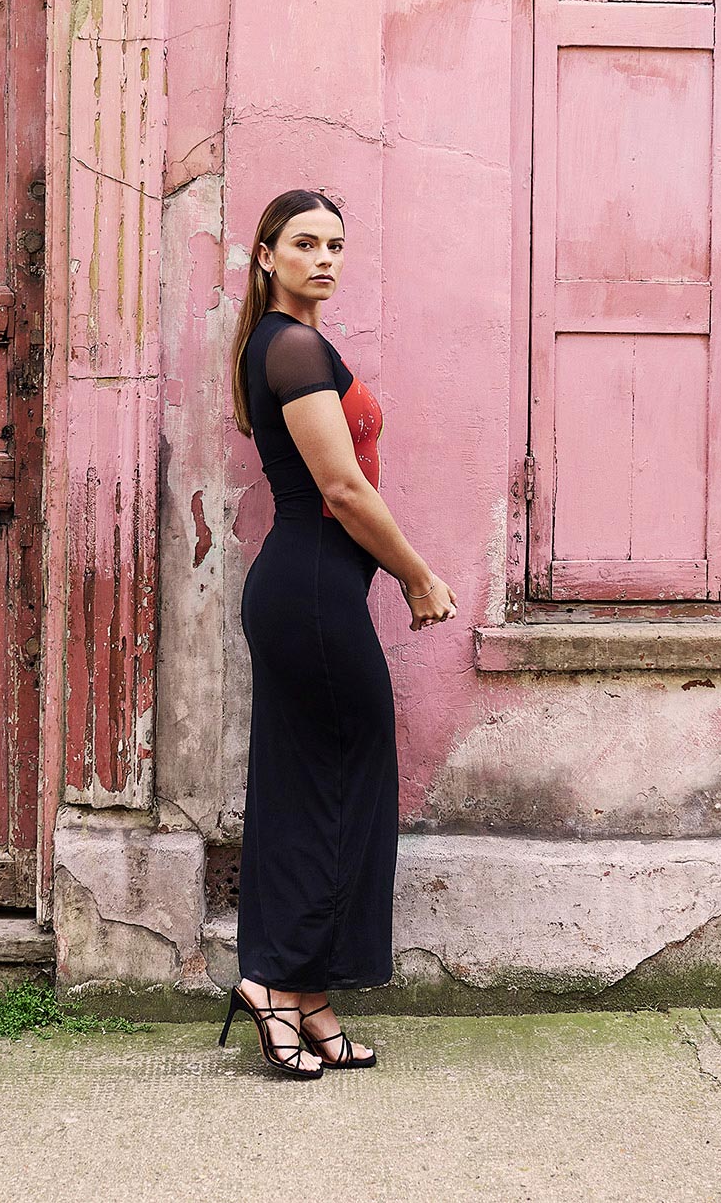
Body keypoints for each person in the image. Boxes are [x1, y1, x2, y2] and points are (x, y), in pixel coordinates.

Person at [217, 188, 458, 1078]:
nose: (324, 258)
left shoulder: (281, 344)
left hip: (306, 592)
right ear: (266, 256)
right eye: (305, 243)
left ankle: (299, 992)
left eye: (337, 245)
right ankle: (279, 984)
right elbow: (344, 490)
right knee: (348, 786)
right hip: (312, 589)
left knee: (308, 785)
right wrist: (417, 575)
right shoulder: (291, 346)